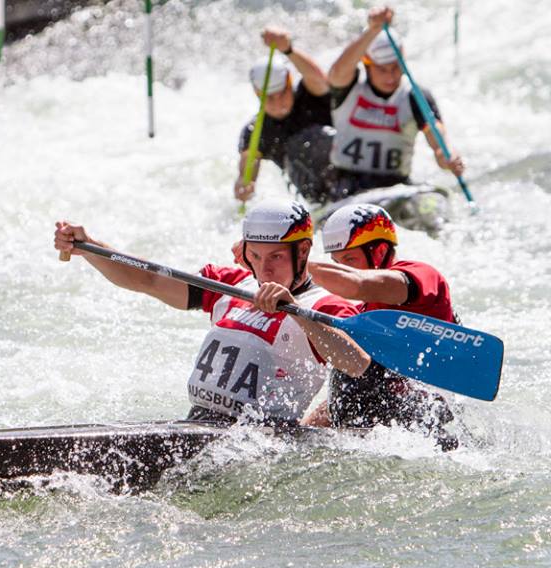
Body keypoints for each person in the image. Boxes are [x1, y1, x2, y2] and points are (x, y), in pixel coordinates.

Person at [54, 200, 371, 428]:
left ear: (302, 252)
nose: (264, 269)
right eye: (256, 256)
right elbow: (146, 279)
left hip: (261, 443)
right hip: (198, 425)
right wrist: (89, 247)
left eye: (275, 257)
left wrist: (298, 313)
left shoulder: (323, 305)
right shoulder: (230, 284)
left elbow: (356, 363)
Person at [306, 203, 457, 447]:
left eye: (349, 259)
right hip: (371, 438)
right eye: (336, 262)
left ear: (379, 252)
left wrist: (290, 263)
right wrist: (307, 430)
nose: (341, 268)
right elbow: (358, 383)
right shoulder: (361, 312)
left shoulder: (422, 276)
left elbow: (355, 283)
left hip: (425, 431)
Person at [327, 6, 465, 200]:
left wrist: (447, 157)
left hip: (395, 185)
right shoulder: (349, 86)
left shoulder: (416, 96)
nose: (390, 76)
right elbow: (336, 73)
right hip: (347, 184)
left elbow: (438, 139)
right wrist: (373, 30)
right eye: (382, 69)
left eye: (395, 67)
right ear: (367, 64)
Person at [235, 27, 333, 204]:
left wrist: (288, 49)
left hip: (344, 173)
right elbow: (248, 166)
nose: (278, 102)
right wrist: (244, 182)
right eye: (270, 97)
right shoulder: (255, 130)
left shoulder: (311, 96)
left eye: (282, 93)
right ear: (258, 94)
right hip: (313, 194)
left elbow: (319, 78)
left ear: (289, 84)